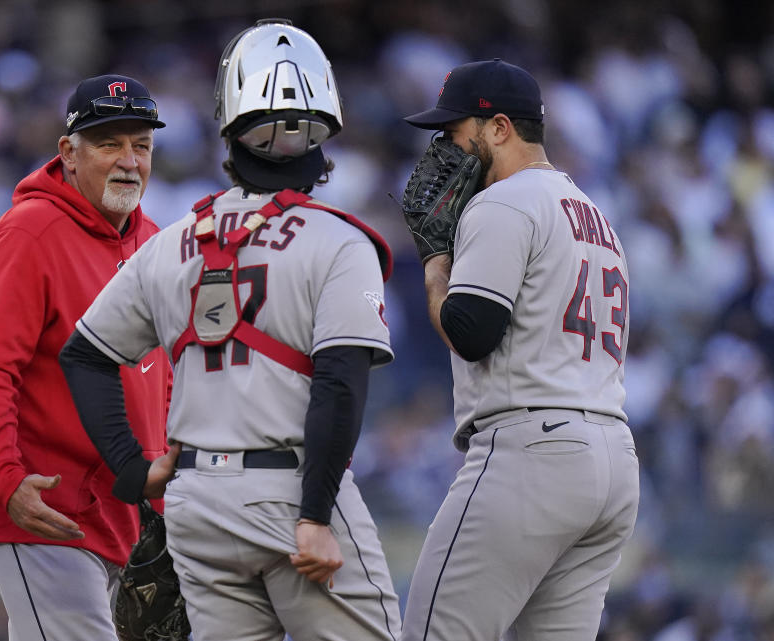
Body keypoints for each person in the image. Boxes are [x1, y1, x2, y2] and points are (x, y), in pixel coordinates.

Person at [60, 19, 401, 641]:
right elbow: (339, 385)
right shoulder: (341, 240)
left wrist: (132, 471)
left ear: (230, 128)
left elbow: (84, 355)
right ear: (323, 135)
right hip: (291, 494)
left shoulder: (169, 244)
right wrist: (316, 515)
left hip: (197, 504)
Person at [399, 59, 640, 641]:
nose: (444, 150)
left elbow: (471, 330)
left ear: (499, 128)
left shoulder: (504, 201)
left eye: (456, 133)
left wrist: (435, 259)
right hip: (611, 459)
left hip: (534, 452)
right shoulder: (597, 217)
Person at [0, 74, 177, 641]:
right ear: (68, 153)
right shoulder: (28, 234)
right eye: (110, 144)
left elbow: (165, 377)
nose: (129, 160)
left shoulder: (153, 241)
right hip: (43, 507)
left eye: (142, 145)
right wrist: (7, 478)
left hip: (124, 513)